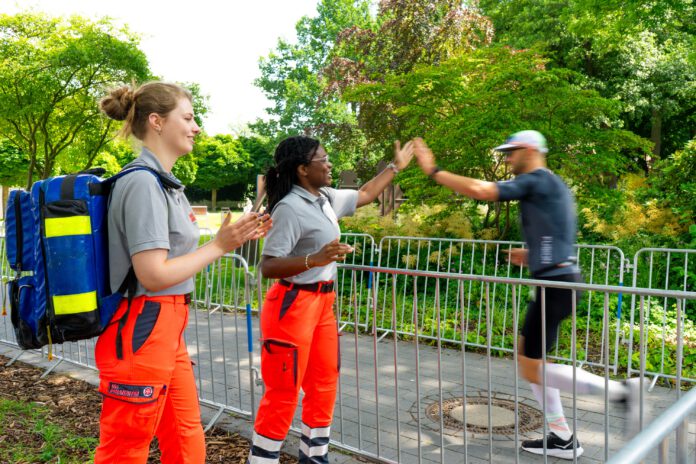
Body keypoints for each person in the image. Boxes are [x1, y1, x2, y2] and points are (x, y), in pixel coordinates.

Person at [413, 131, 639, 460]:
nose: (506, 158)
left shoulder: (535, 180)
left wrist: (433, 171)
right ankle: (562, 437)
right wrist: (532, 255)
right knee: (529, 358)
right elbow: (557, 236)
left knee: (532, 367)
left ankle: (620, 392)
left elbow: (482, 190)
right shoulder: (553, 184)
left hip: (556, 286)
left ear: (529, 150)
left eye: (511, 152)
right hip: (557, 282)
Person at [95, 81, 271, 463]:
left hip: (166, 325)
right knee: (125, 449)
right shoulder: (142, 182)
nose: (195, 127)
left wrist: (233, 237)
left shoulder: (164, 183)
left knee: (185, 434)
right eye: (188, 118)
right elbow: (153, 273)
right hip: (144, 323)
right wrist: (220, 246)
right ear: (156, 121)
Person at [246, 136, 414, 464]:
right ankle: (262, 460)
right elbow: (267, 265)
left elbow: (366, 194)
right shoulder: (289, 208)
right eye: (323, 159)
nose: (330, 164)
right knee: (283, 392)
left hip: (323, 305)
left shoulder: (325, 197)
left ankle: (314, 457)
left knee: (324, 383)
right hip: (292, 306)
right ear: (303, 169)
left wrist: (394, 167)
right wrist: (315, 259)